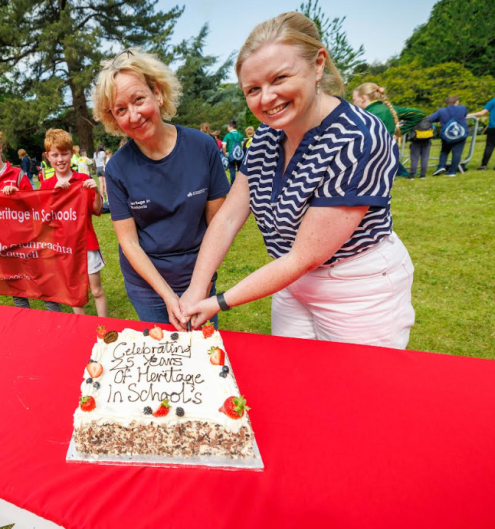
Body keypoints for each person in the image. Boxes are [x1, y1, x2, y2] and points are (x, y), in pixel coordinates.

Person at [179, 11, 415, 349]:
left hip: (357, 288)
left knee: (356, 392)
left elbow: (305, 255)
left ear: (318, 64)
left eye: (279, 79)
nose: (267, 98)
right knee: (297, 381)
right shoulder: (264, 138)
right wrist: (197, 287)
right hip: (289, 281)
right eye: (253, 89)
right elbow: (229, 215)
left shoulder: (358, 137)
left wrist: (218, 302)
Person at [92, 48, 230, 328]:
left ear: (157, 92)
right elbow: (129, 242)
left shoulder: (202, 147)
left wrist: (200, 285)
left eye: (138, 99)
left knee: (203, 358)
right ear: (113, 118)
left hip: (200, 276)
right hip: (148, 287)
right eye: (121, 110)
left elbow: (219, 225)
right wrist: (167, 296)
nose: (133, 115)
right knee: (165, 363)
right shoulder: (117, 167)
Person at [0, 128, 59, 312]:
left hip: (27, 242)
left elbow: (36, 208)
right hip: (2, 245)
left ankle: (57, 323)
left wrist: (18, 197)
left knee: (43, 285)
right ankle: (25, 325)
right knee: (17, 289)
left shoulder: (18, 175)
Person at [41, 129, 108, 317]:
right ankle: (83, 328)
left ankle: (107, 327)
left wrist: (96, 192)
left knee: (96, 290)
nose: (60, 159)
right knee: (75, 293)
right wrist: (53, 195)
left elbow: (96, 210)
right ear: (48, 156)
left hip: (86, 244)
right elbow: (44, 219)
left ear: (72, 153)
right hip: (63, 248)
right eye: (55, 155)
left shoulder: (83, 179)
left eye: (64, 154)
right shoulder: (46, 185)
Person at [352, 83, 426, 178]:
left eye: (354, 100)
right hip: (388, 152)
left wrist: (399, 132)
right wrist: (398, 133)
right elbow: (419, 114)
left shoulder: (365, 114)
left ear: (363, 98)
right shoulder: (390, 108)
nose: (353, 103)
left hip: (373, 156)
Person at [428, 96, 468, 177]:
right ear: (457, 102)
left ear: (446, 103)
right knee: (457, 153)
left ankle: (441, 166)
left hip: (447, 136)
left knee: (444, 151)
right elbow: (464, 115)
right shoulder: (462, 108)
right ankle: (452, 172)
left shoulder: (441, 111)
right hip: (460, 135)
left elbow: (429, 119)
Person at [467, 96, 495, 170]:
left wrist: (468, 115)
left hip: (493, 127)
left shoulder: (493, 101)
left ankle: (484, 165)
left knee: (490, 146)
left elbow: (482, 113)